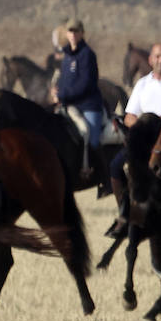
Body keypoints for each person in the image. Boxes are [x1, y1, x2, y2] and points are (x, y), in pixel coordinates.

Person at [105, 42, 161, 237]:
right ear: (151, 60)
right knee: (115, 166)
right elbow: (129, 116)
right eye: (157, 57)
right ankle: (124, 215)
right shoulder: (142, 84)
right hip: (143, 141)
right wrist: (142, 123)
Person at [51, 19, 110, 194]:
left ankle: (104, 177)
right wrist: (57, 91)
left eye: (76, 31)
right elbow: (64, 80)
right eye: (70, 31)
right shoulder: (67, 56)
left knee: (92, 139)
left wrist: (63, 95)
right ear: (66, 34)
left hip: (89, 105)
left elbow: (86, 84)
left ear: (82, 33)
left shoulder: (88, 55)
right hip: (69, 105)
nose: (73, 35)